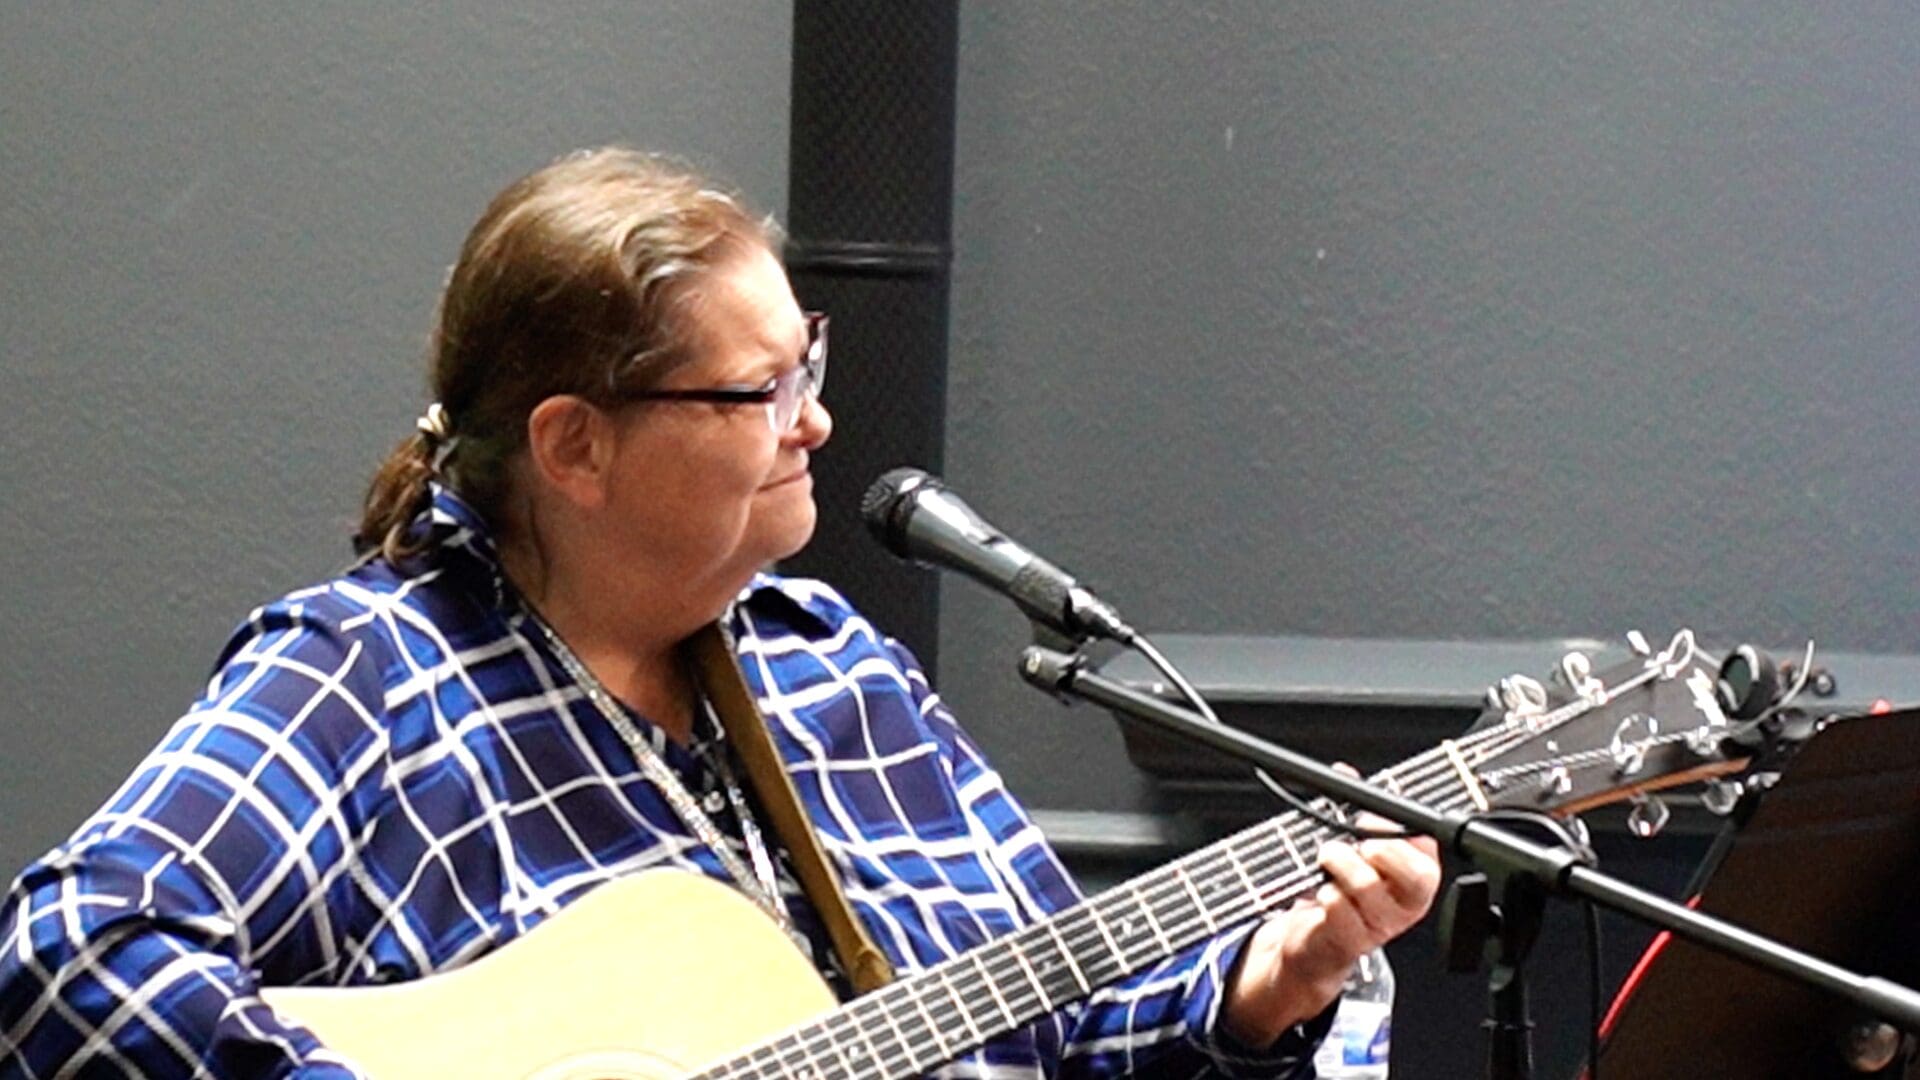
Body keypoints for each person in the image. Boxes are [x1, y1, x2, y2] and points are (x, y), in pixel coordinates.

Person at [0, 148, 1439, 1078]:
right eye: (760, 393)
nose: (816, 424)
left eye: (805, 363)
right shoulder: (369, 677)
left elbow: (1048, 1021)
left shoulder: (839, 684)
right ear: (576, 447)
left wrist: (1264, 981)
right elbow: (65, 959)